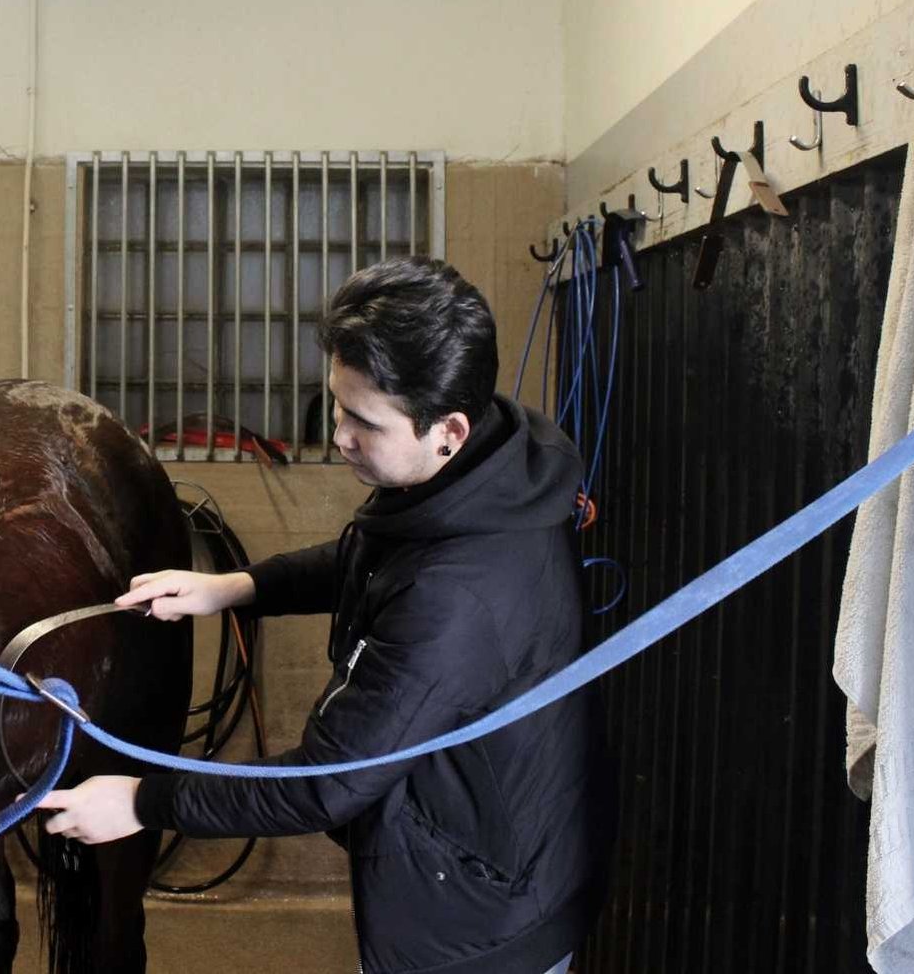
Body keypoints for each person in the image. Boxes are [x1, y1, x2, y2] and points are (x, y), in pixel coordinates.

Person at [37, 257, 614, 974]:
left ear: (447, 430)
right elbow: (367, 557)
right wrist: (235, 587)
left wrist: (141, 802)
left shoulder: (459, 596)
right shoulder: (486, 466)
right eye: (337, 405)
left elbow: (326, 782)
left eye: (363, 422)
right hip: (480, 835)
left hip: (482, 919)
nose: (339, 435)